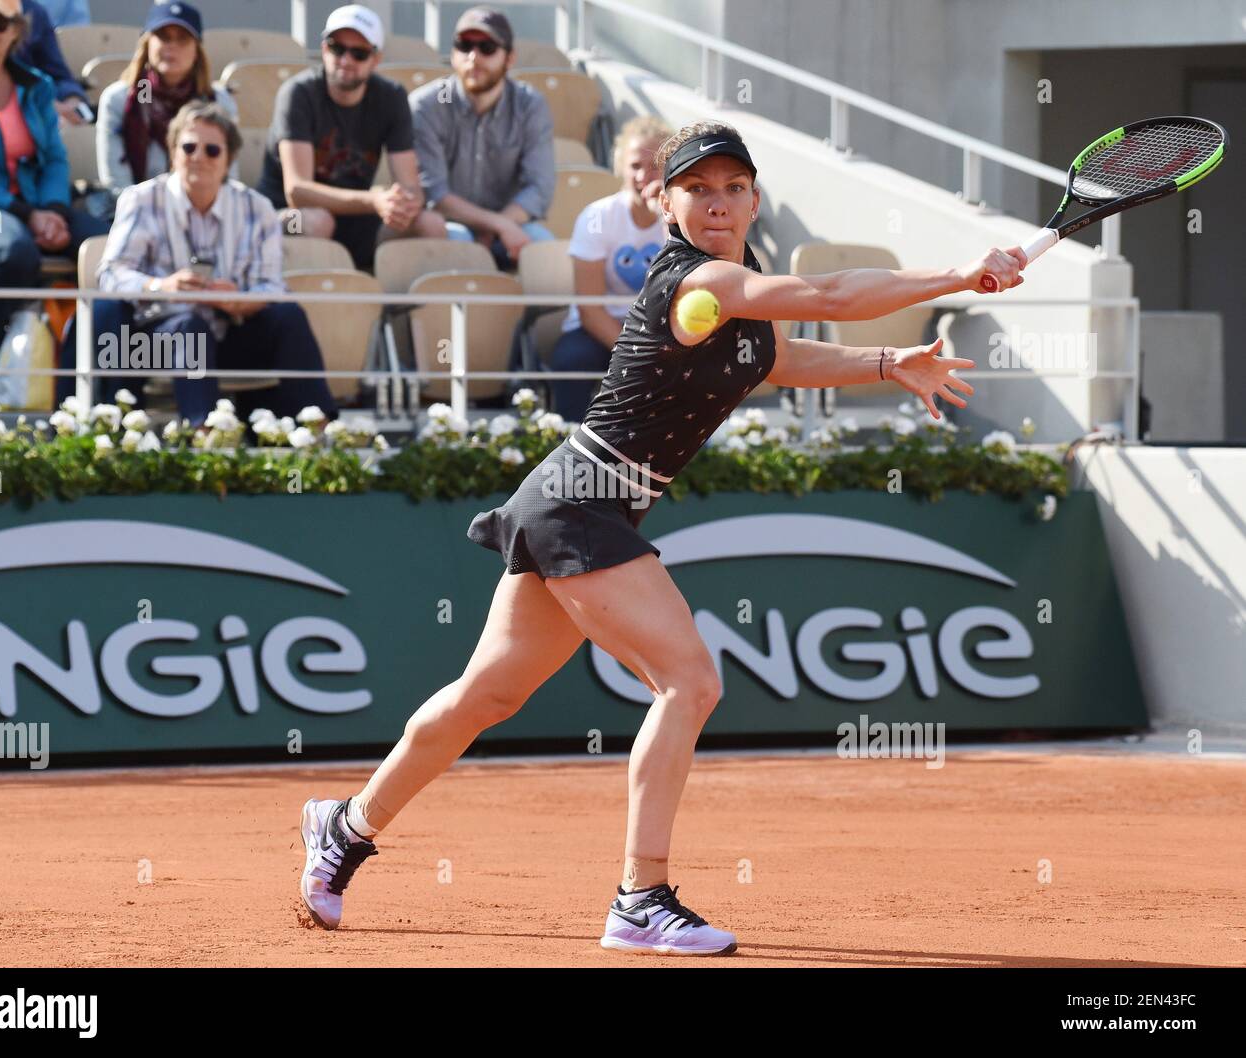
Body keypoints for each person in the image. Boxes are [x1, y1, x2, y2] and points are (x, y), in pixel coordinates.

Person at [294, 119, 1027, 954]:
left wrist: (893, 365)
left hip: (574, 500)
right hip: (581, 506)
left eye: (732, 188)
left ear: (753, 198)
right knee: (688, 680)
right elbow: (827, 296)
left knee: (485, 697)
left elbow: (777, 358)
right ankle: (641, 897)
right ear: (664, 200)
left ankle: (344, 827)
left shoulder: (737, 294)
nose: (717, 203)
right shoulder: (694, 282)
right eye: (698, 189)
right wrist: (960, 273)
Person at [63, 100, 338, 424]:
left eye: (212, 150)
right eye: (189, 146)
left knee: (288, 315)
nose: (198, 157)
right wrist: (161, 286)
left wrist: (238, 301)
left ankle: (317, 430)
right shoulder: (141, 199)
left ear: (229, 159)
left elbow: (272, 286)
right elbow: (110, 275)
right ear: (173, 152)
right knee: (189, 327)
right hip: (151, 344)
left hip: (231, 338)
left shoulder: (257, 207)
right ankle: (204, 437)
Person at [0, 0, 108, 409]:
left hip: (38, 205)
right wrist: (26, 214)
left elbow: (54, 158)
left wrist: (52, 208)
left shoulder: (37, 86)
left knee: (109, 251)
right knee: (13, 250)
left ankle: (83, 386)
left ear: (16, 30)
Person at [257, 4, 438, 273]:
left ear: (376, 59)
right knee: (318, 221)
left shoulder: (392, 97)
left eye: (359, 52)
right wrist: (375, 200)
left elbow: (409, 183)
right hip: (287, 217)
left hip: (357, 218)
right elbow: (297, 192)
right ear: (323, 49)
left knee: (430, 224)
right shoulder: (298, 93)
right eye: (337, 48)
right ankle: (313, 306)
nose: (346, 60)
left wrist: (404, 202)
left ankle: (401, 313)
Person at [408, 6, 554, 269]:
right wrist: (495, 224)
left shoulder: (530, 104)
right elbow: (435, 194)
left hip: (509, 225)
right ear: (452, 53)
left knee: (543, 247)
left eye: (487, 47)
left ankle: (548, 314)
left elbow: (539, 188)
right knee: (462, 240)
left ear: (509, 58)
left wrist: (500, 225)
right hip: (447, 227)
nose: (473, 57)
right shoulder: (426, 105)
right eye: (464, 46)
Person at [550, 115, 671, 422]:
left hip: (661, 329)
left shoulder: (680, 222)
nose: (645, 175)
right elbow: (590, 310)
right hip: (599, 329)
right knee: (571, 359)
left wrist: (666, 217)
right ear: (620, 168)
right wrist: (636, 354)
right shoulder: (598, 216)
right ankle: (569, 445)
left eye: (656, 165)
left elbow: (689, 279)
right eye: (635, 166)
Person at [96, 1, 238, 200]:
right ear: (147, 44)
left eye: (182, 39)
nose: (172, 46)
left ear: (197, 50)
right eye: (163, 37)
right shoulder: (120, 99)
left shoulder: (217, 102)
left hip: (203, 210)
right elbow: (116, 182)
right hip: (134, 210)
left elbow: (227, 175)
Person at [0, 0, 90, 125]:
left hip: (42, 119)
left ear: (15, 31)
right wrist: (34, 104)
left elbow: (59, 75)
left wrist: (71, 100)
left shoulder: (34, 11)